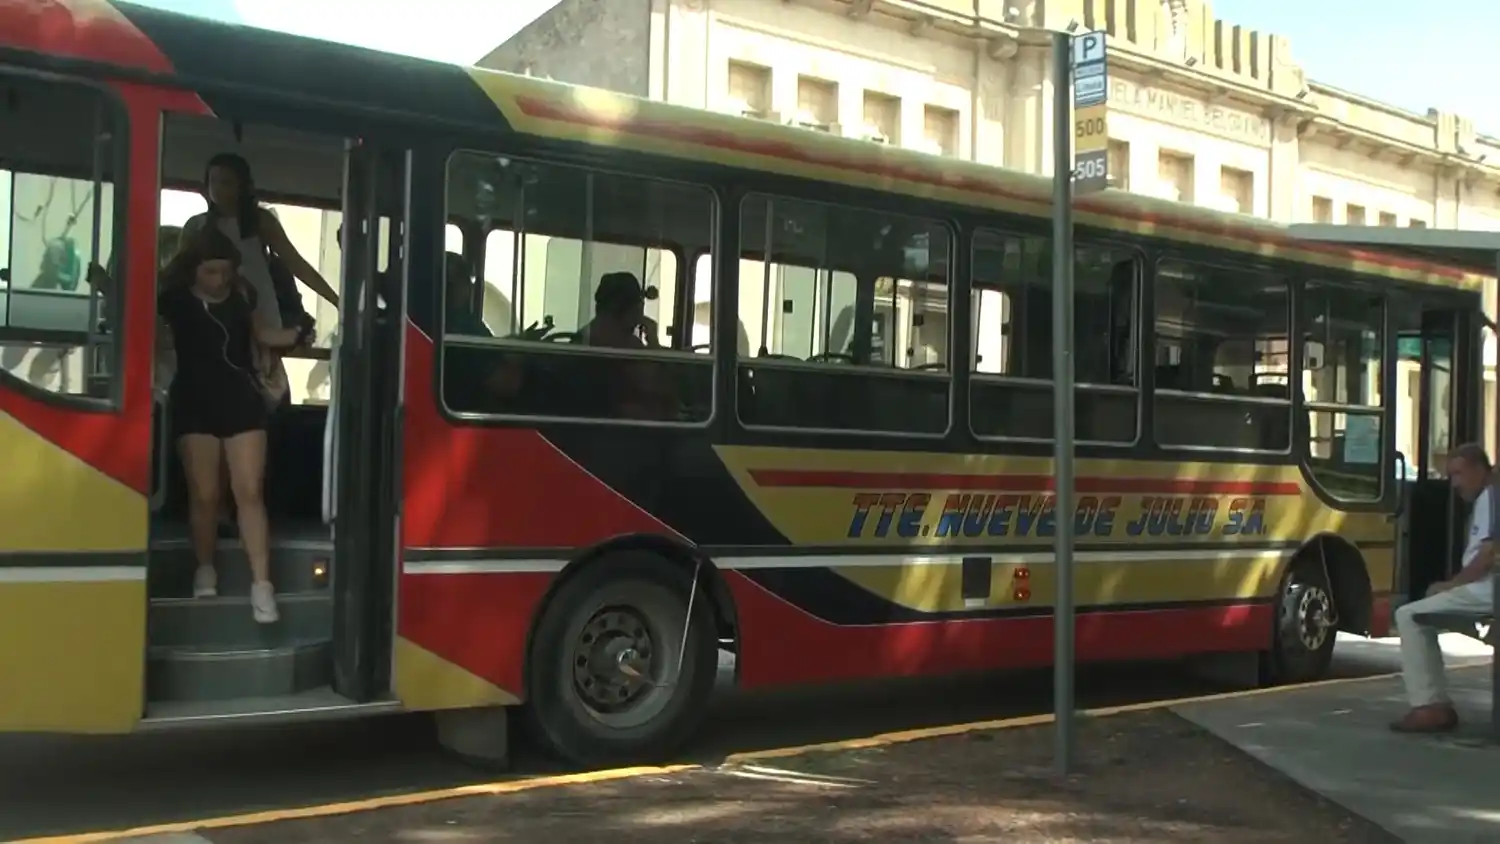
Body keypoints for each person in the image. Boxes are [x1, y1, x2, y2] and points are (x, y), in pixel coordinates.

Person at [157, 227, 314, 623]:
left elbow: (262, 334)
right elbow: (145, 326)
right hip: (194, 402)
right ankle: (205, 567)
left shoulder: (241, 296)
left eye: (225, 272)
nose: (219, 280)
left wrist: (297, 333)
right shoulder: (173, 299)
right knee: (205, 494)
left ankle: (262, 585)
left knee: (249, 492)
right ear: (193, 270)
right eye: (211, 272)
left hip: (241, 400)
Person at [1390, 442, 1500, 733]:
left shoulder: (1492, 496)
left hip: (1489, 588)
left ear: (1480, 469)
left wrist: (1452, 585)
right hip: (1488, 588)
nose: (1454, 484)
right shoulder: (1487, 497)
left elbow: (1489, 554)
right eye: (1451, 476)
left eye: (1459, 474)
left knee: (1408, 616)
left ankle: (1430, 705)